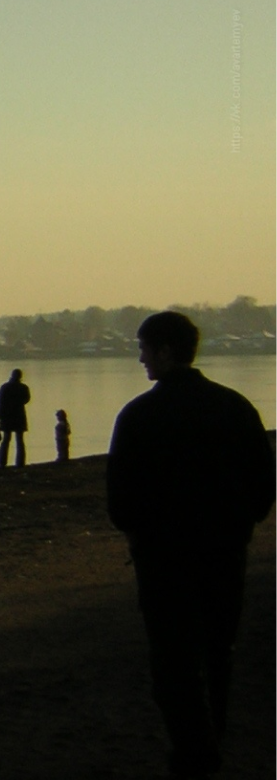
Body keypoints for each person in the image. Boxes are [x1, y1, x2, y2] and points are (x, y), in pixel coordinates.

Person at [107, 311, 275, 777]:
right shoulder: (235, 407)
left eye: (143, 348)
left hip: (163, 560)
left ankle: (194, 752)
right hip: (225, 552)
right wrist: (241, 523)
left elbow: (120, 497)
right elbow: (263, 483)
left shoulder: (140, 414)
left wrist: (139, 531)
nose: (140, 358)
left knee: (173, 660)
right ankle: (211, 738)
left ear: (164, 351)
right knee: (218, 652)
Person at [0, 368, 31, 467]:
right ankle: (20, 462)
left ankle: (2, 462)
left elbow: (0, 403)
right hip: (19, 415)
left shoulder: (4, 387)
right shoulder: (23, 387)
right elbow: (26, 400)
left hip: (6, 416)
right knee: (20, 440)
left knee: (6, 439)